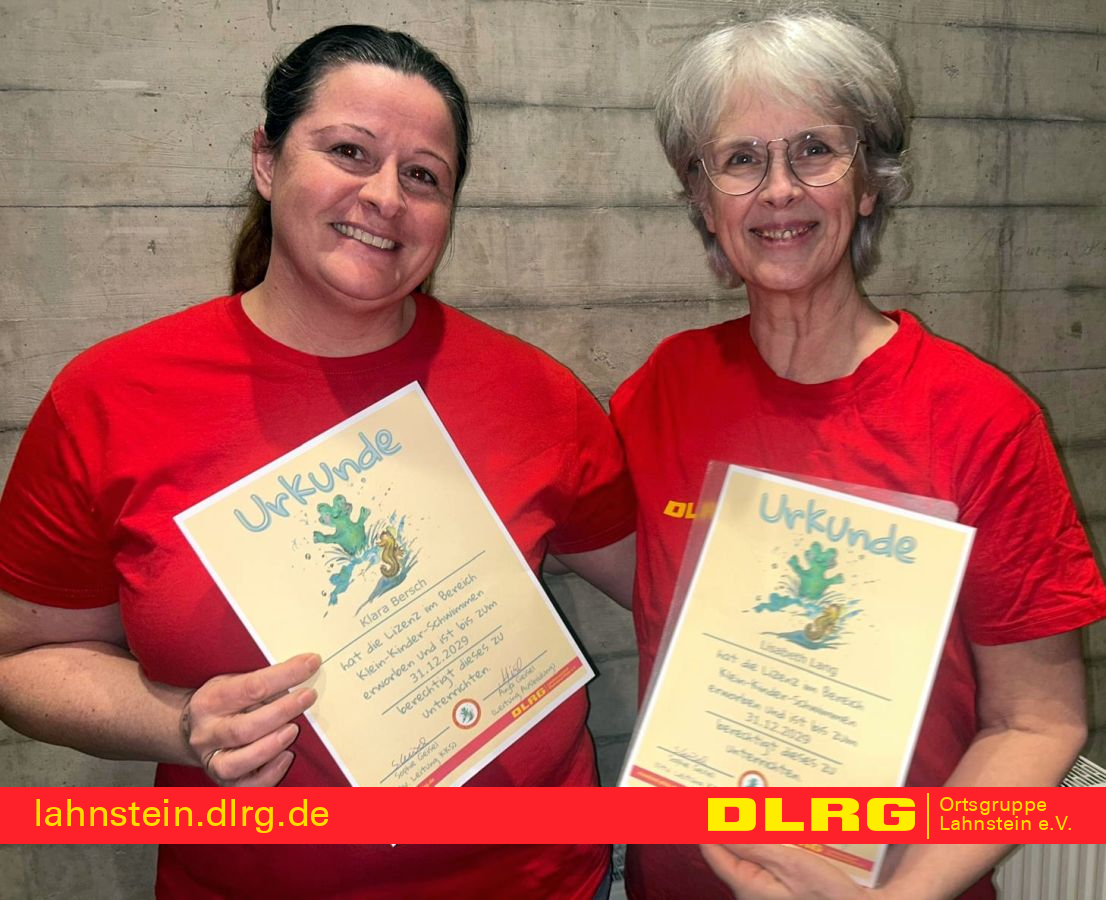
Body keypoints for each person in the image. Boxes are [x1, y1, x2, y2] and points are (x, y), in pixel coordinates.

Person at [0, 24, 634, 899]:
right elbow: (21, 659)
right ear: (267, 160)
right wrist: (181, 724)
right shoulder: (112, 397)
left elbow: (667, 583)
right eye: (349, 152)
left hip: (542, 880)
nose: (386, 196)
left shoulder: (533, 393)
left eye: (424, 176)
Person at [610, 9, 1105, 900]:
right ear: (703, 199)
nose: (779, 190)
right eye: (740, 159)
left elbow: (1038, 722)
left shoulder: (983, 421)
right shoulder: (661, 392)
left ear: (869, 183)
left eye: (815, 151)